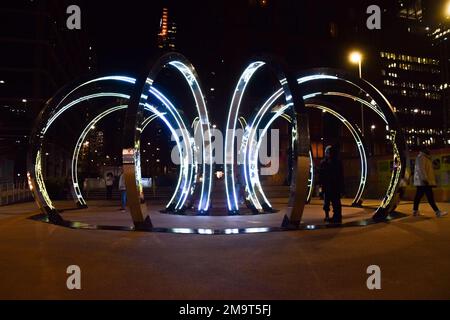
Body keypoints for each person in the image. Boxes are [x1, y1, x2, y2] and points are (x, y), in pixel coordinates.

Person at [413, 148, 447, 217]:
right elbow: (421, 169)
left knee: (419, 196)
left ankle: (415, 211)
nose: (429, 151)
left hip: (422, 181)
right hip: (423, 181)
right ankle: (437, 212)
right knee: (430, 196)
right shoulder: (421, 157)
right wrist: (425, 179)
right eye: (428, 150)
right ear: (424, 150)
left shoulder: (425, 158)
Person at [319, 145, 344, 223]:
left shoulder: (336, 162)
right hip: (327, 186)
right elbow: (321, 175)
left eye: (328, 152)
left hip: (334, 186)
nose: (327, 153)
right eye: (326, 152)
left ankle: (337, 216)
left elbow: (340, 175)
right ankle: (329, 216)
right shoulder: (324, 162)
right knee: (327, 202)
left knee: (336, 202)